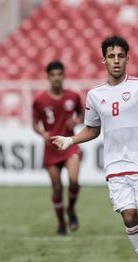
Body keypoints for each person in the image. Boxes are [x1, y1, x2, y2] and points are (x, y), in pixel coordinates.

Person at [51, 36, 138, 262]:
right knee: (130, 218)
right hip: (115, 168)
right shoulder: (94, 95)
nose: (116, 61)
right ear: (103, 60)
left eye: (120, 56)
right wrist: (70, 140)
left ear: (127, 59)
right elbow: (93, 130)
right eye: (111, 56)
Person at [32, 60, 83, 236]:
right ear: (48, 77)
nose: (56, 78)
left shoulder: (73, 97)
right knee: (57, 187)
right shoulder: (40, 100)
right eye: (53, 75)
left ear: (64, 76)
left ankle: (71, 210)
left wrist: (75, 121)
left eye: (59, 75)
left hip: (69, 145)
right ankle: (61, 224)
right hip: (52, 148)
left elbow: (82, 115)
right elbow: (35, 124)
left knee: (74, 181)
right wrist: (42, 133)